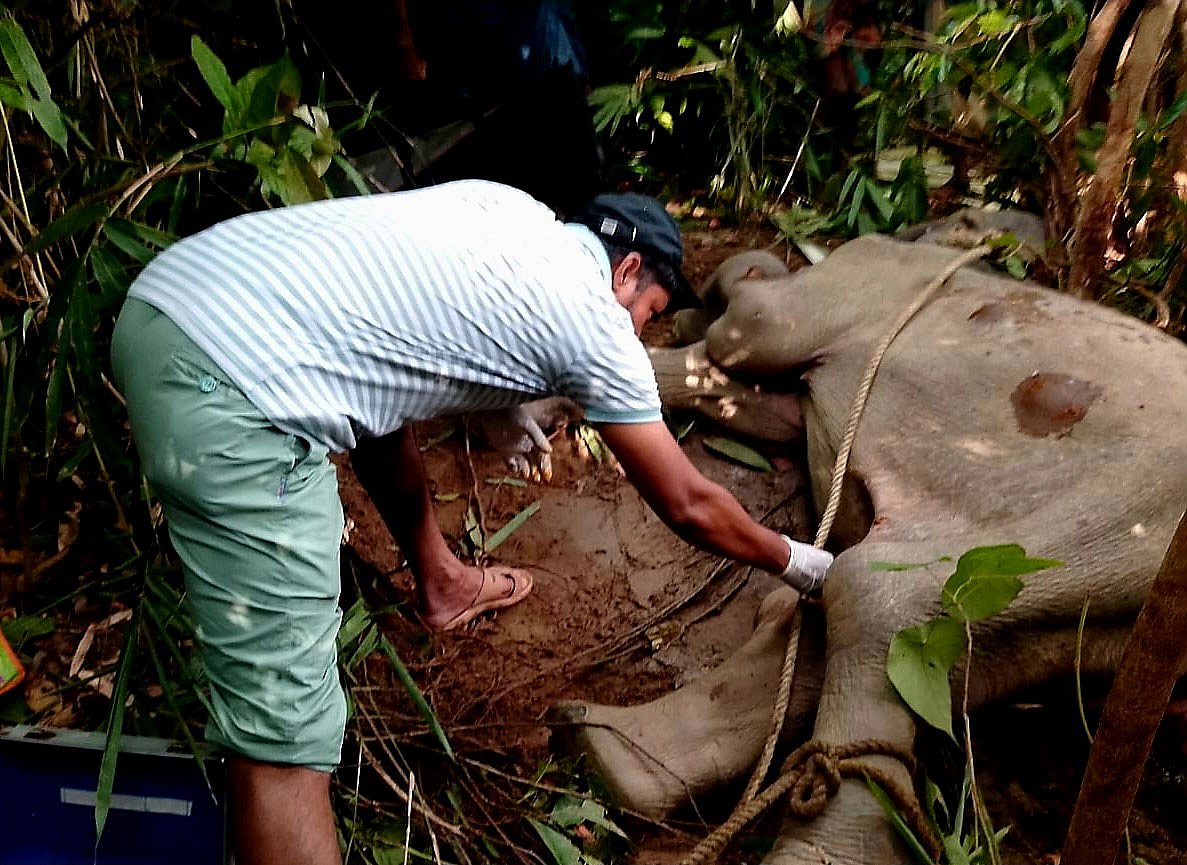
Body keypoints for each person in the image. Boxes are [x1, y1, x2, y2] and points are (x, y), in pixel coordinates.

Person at [110, 180, 832, 865]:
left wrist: (492, 405)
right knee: (284, 740)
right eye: (649, 313)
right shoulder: (593, 326)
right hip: (228, 393)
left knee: (372, 406)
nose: (641, 332)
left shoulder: (507, 209)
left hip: (167, 302)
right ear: (628, 269)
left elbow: (395, 321)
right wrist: (799, 562)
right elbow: (688, 502)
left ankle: (442, 581)